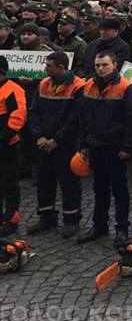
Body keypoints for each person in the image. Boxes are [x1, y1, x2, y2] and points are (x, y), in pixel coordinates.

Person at [76, 50, 132, 245]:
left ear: (114, 65)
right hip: (95, 145)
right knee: (99, 188)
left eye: (104, 65)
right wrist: (83, 144)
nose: (101, 69)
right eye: (97, 65)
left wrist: (128, 147)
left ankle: (122, 228)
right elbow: (82, 117)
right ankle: (99, 225)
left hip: (115, 147)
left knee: (119, 189)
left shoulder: (126, 87)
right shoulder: (88, 86)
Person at [25, 52, 85, 238]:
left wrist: (56, 140)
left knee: (68, 182)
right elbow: (33, 112)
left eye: (49, 66)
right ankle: (46, 216)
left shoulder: (77, 87)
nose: (45, 68)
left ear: (61, 67)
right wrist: (39, 136)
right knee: (44, 180)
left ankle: (71, 219)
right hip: (44, 143)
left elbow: (75, 119)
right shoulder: (44, 84)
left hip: (65, 144)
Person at [0, 56, 27, 237]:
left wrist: (3, 138)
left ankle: (11, 219)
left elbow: (18, 116)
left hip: (7, 144)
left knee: (9, 183)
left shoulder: (13, 90)